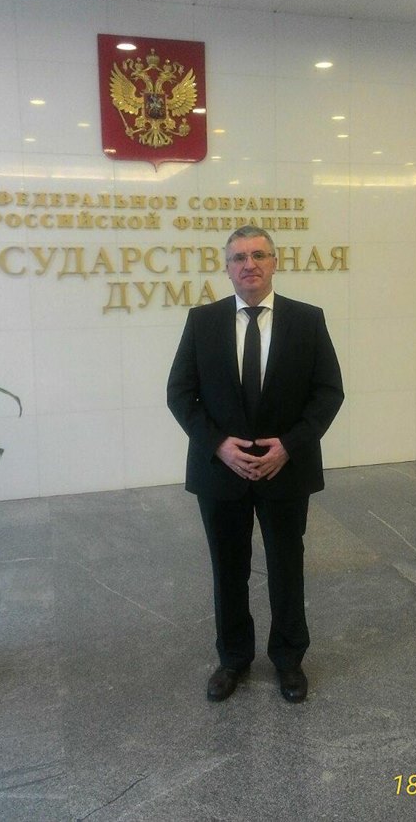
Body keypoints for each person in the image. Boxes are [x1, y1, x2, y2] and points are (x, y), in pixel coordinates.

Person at [167, 225, 344, 703]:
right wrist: (219, 446)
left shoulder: (307, 320)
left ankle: (289, 659)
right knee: (228, 568)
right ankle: (233, 658)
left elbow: (329, 393)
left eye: (259, 255)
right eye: (239, 257)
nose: (249, 264)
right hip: (220, 471)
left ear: (275, 262)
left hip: (285, 469)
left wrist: (289, 445)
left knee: (287, 567)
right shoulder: (202, 321)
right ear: (227, 268)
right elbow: (180, 394)